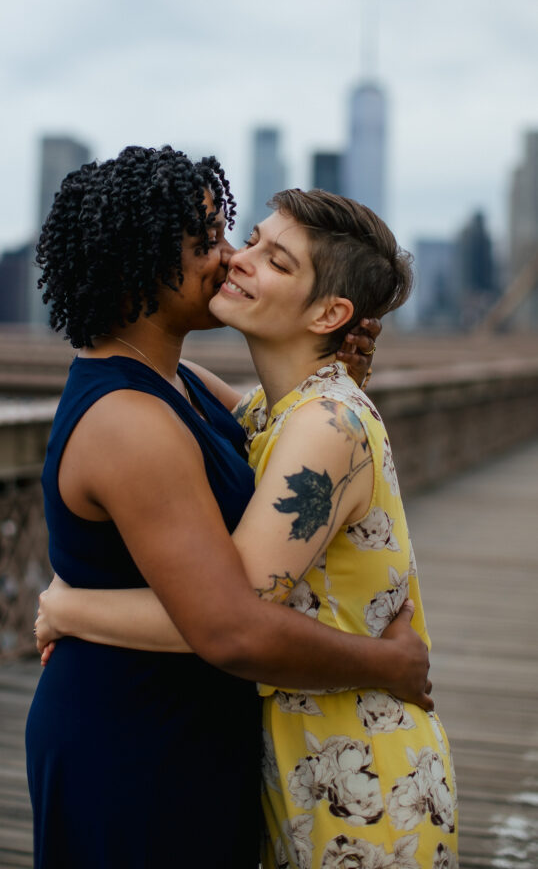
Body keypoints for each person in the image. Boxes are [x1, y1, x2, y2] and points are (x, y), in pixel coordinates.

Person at [25, 147, 432, 869]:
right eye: (208, 243)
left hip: (198, 734)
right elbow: (232, 628)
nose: (229, 258)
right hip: (134, 743)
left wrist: (331, 352)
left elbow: (273, 413)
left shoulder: (173, 383)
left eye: (238, 241)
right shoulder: (129, 419)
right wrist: (387, 664)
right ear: (137, 268)